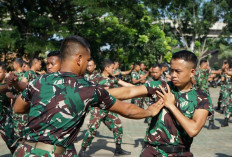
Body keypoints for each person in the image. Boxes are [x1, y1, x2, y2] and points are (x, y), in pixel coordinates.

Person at [12, 35, 163, 156]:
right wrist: (150, 111)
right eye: (86, 59)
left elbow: (18, 108)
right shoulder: (88, 89)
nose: (87, 64)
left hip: (23, 151)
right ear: (78, 58)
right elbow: (128, 110)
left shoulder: (39, 81)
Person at [141, 50, 212, 157]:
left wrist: (171, 105)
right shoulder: (163, 87)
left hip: (179, 153)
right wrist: (106, 93)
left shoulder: (201, 97)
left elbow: (193, 130)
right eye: (171, 70)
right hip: (151, 151)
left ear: (192, 72)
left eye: (178, 71)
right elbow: (130, 91)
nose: (173, 75)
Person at [79, 59, 133, 156]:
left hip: (109, 107)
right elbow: (86, 90)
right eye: (112, 68)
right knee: (92, 129)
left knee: (118, 126)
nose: (114, 70)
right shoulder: (95, 77)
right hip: (98, 108)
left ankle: (118, 149)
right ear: (106, 68)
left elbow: (126, 85)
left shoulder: (113, 78)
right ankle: (82, 150)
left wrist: (144, 88)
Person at [193, 59, 221, 130]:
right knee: (210, 107)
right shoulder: (205, 71)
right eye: (207, 65)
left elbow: (193, 81)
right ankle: (211, 124)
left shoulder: (196, 72)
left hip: (197, 92)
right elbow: (216, 72)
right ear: (204, 65)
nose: (208, 66)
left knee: (197, 107)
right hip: (205, 93)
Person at [0, 62, 18, 154]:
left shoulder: (11, 86)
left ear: (5, 72)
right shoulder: (7, 86)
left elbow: (19, 95)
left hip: (5, 119)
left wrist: (13, 96)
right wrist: (7, 85)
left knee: (12, 144)